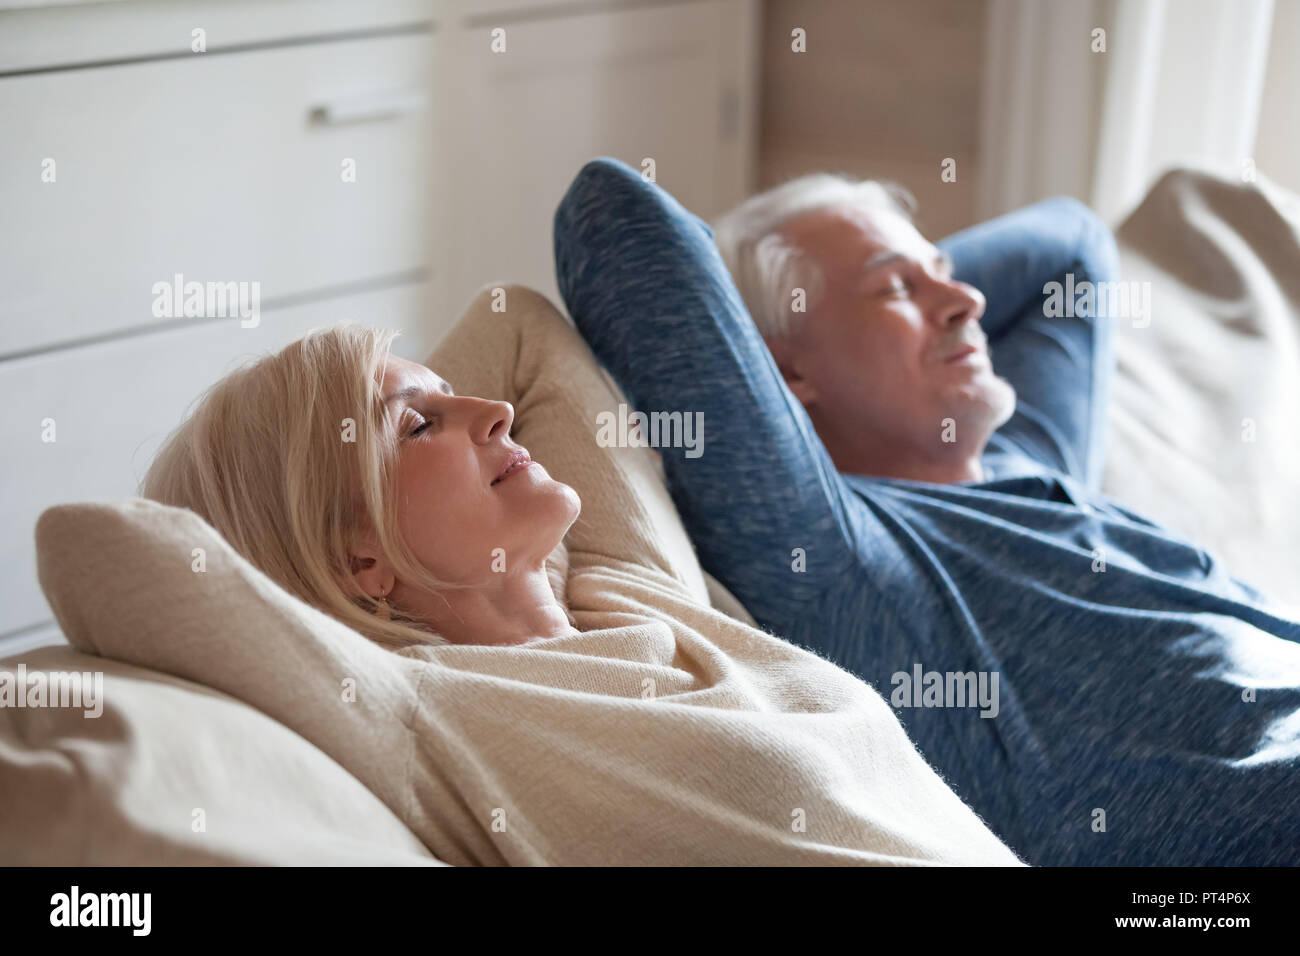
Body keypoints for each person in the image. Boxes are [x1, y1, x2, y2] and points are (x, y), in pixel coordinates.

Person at [553, 156, 1300, 866]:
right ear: (783, 372)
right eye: (895, 291)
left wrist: (907, 287)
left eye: (947, 273)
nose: (968, 300)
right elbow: (612, 214)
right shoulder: (843, 558)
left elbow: (1071, 248)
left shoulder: (1031, 457)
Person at [138, 287, 1024, 866]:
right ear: (355, 559)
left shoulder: (623, 588)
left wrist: (384, 424)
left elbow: (518, 324)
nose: (495, 411)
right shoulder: (425, 711)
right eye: (417, 425)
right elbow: (100, 556)